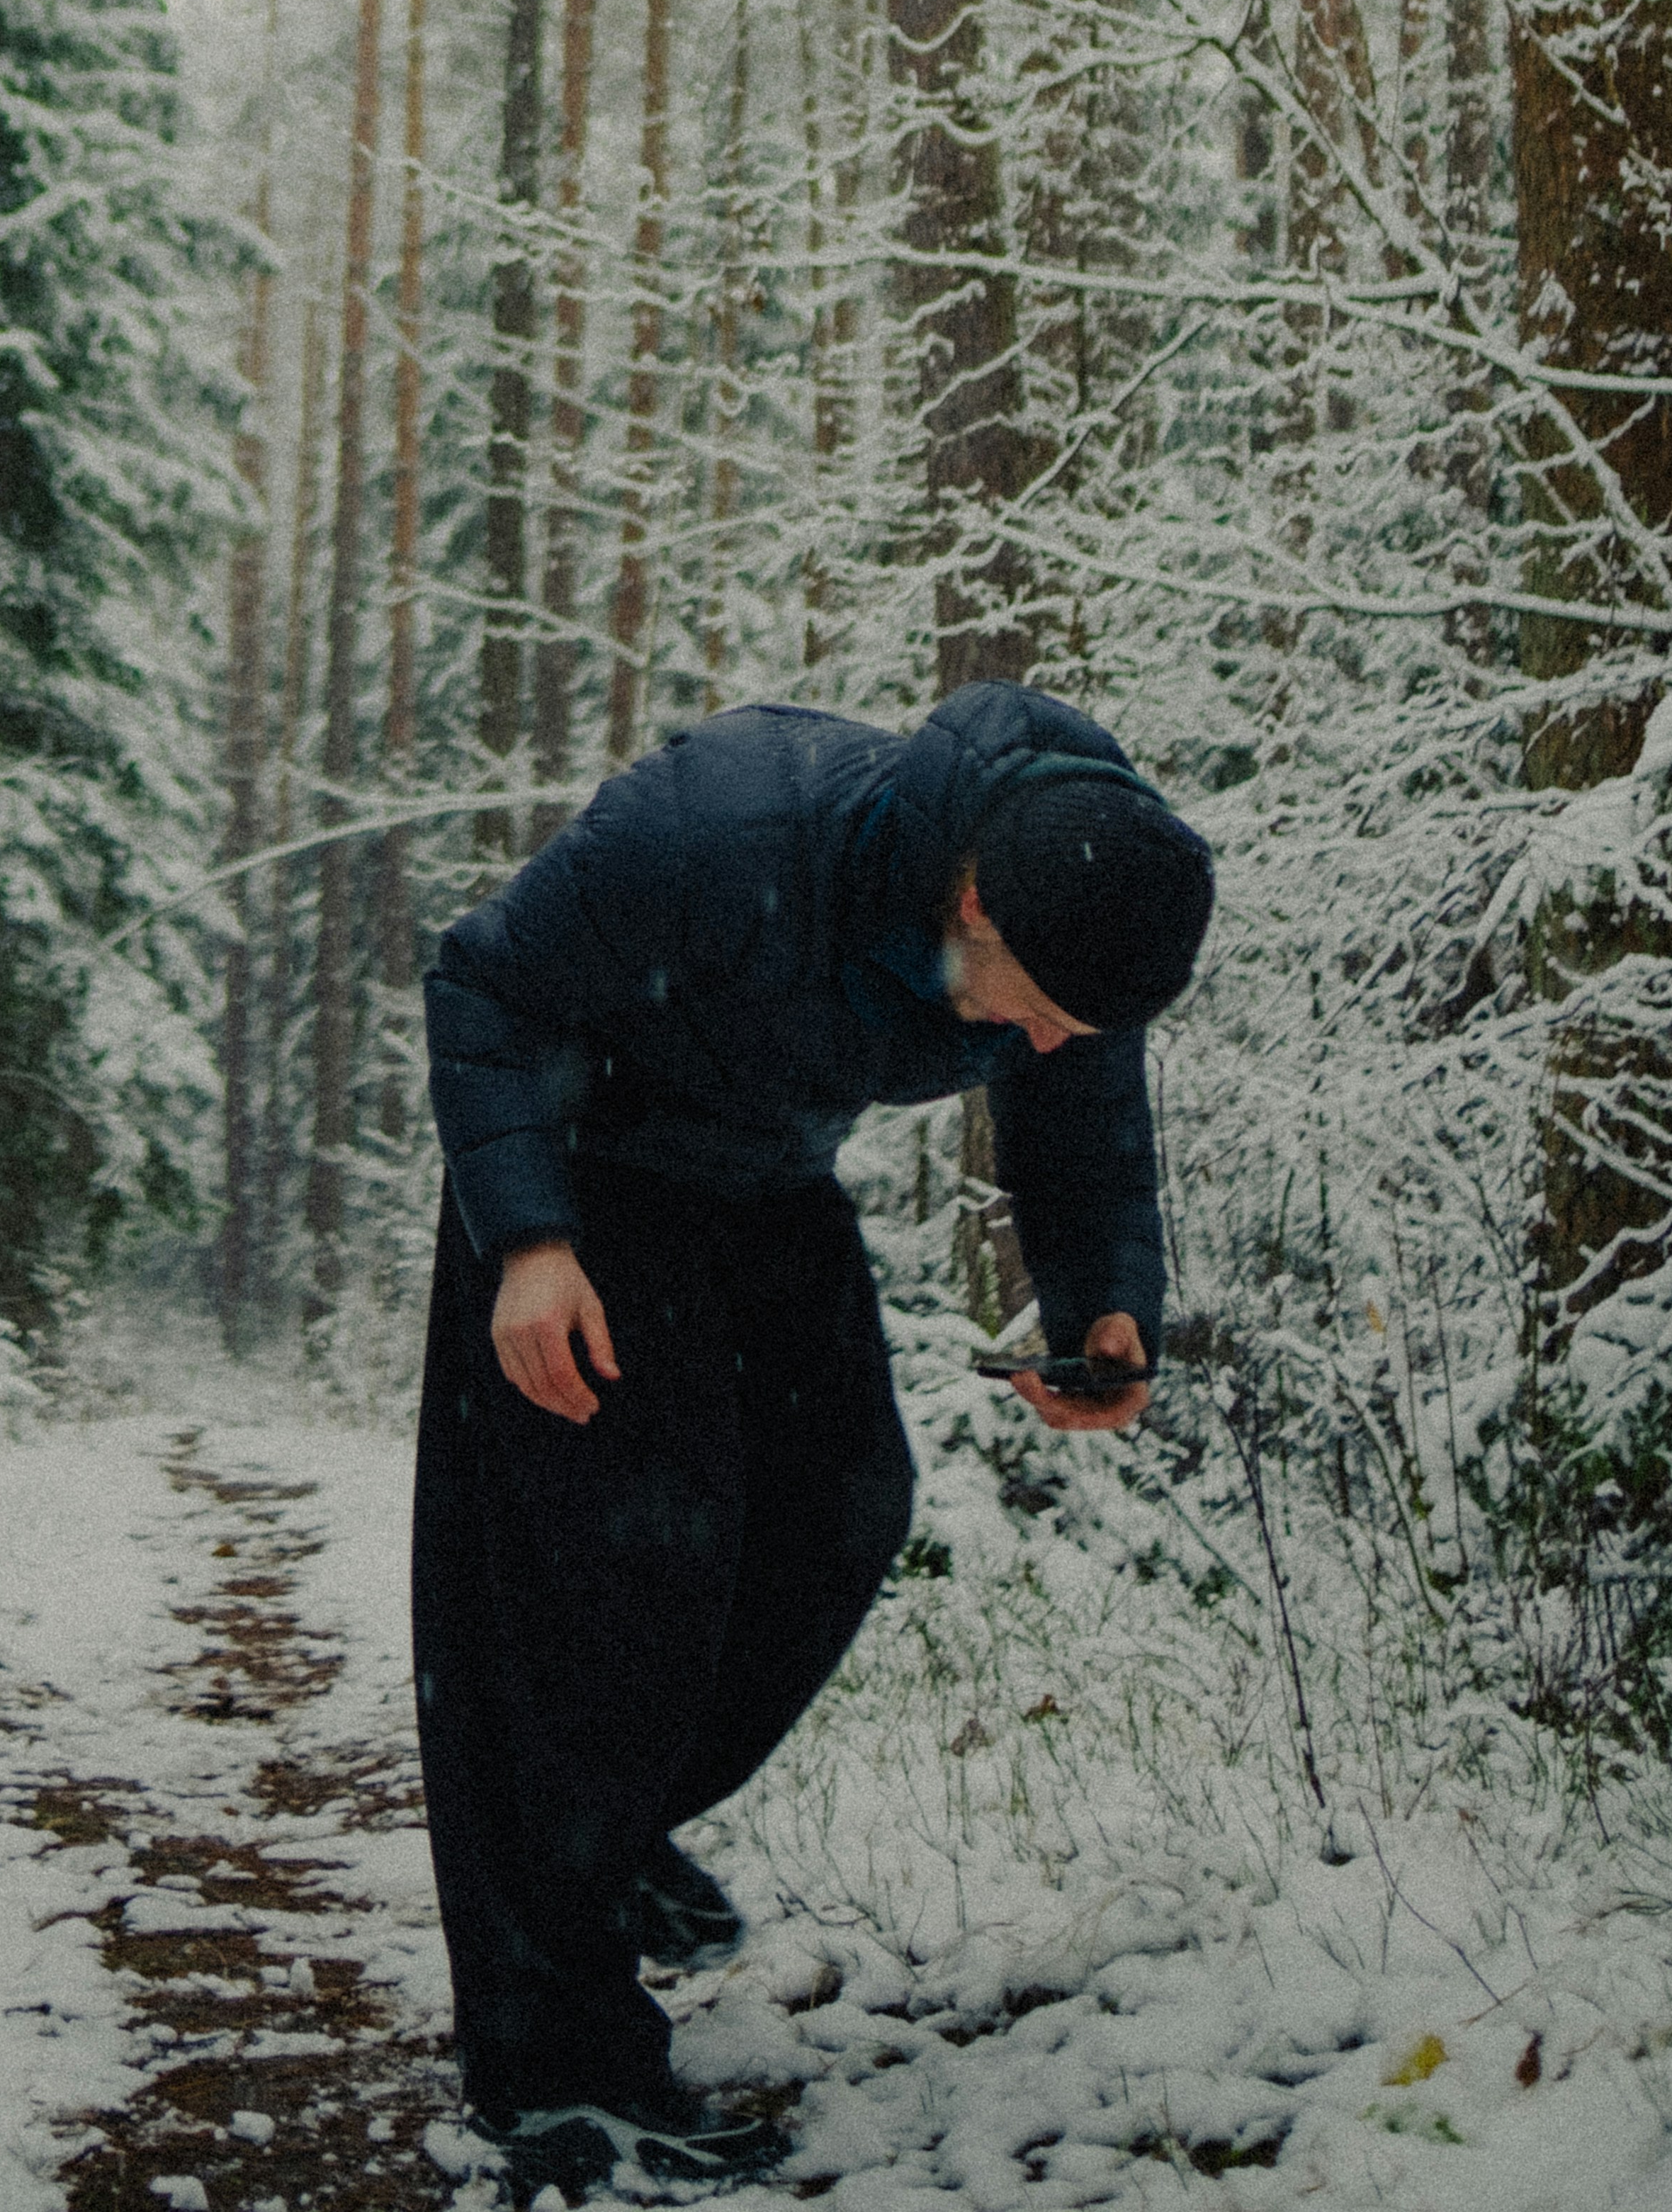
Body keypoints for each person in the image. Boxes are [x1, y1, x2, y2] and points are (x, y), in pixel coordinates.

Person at [413, 674, 1215, 2202]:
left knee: (843, 1508)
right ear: (970, 898)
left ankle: (596, 1831)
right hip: (583, 1171)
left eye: (1073, 1020)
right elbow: (483, 985)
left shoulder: (1087, 891)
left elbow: (1085, 1107)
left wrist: (1106, 1302)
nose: (1046, 1042)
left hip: (762, 1175)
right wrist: (523, 1241)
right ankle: (552, 2072)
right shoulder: (720, 828)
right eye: (1033, 1005)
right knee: (615, 1576)